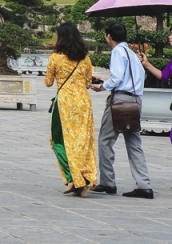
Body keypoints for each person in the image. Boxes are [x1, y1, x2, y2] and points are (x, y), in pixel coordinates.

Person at [91, 22, 152, 198]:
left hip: (120, 101)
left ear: (109, 36)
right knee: (134, 143)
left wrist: (103, 86)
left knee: (105, 139)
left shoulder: (117, 52)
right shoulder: (132, 54)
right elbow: (135, 76)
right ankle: (144, 184)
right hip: (135, 100)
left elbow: (117, 77)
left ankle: (108, 181)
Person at [44, 22, 96, 196]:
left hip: (65, 103)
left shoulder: (55, 58)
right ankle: (85, 179)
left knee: (58, 140)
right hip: (83, 103)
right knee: (82, 142)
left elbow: (48, 82)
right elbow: (88, 83)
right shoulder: (85, 58)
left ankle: (73, 178)